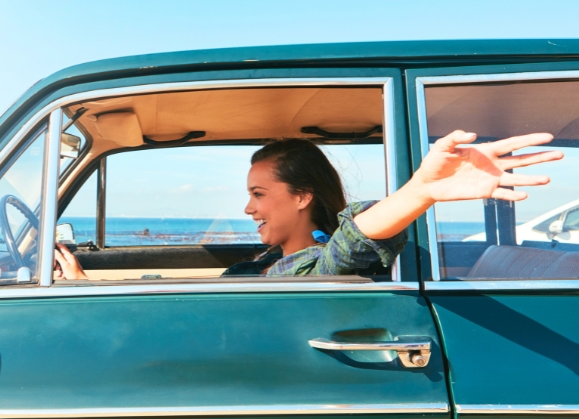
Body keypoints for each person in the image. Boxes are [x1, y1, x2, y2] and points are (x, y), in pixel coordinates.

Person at [53, 130, 563, 280]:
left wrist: (420, 191)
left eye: (258, 195)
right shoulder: (266, 262)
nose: (249, 209)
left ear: (301, 197)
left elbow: (357, 238)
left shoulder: (318, 269)